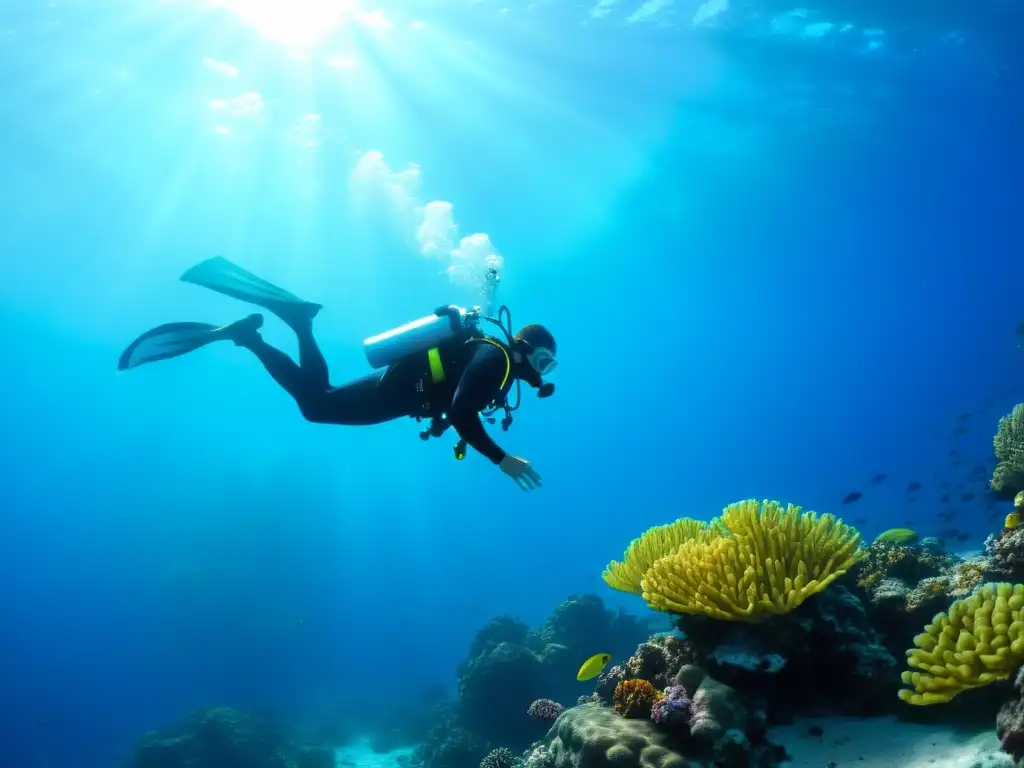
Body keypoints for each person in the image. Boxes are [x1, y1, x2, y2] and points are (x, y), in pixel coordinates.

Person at [118, 257, 557, 491]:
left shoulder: (493, 362)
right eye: (543, 361)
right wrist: (502, 459)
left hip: (405, 385)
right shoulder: (496, 359)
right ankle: (281, 327)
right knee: (316, 406)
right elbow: (462, 409)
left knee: (319, 401)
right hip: (403, 390)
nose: (541, 374)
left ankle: (267, 331)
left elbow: (459, 405)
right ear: (526, 349)